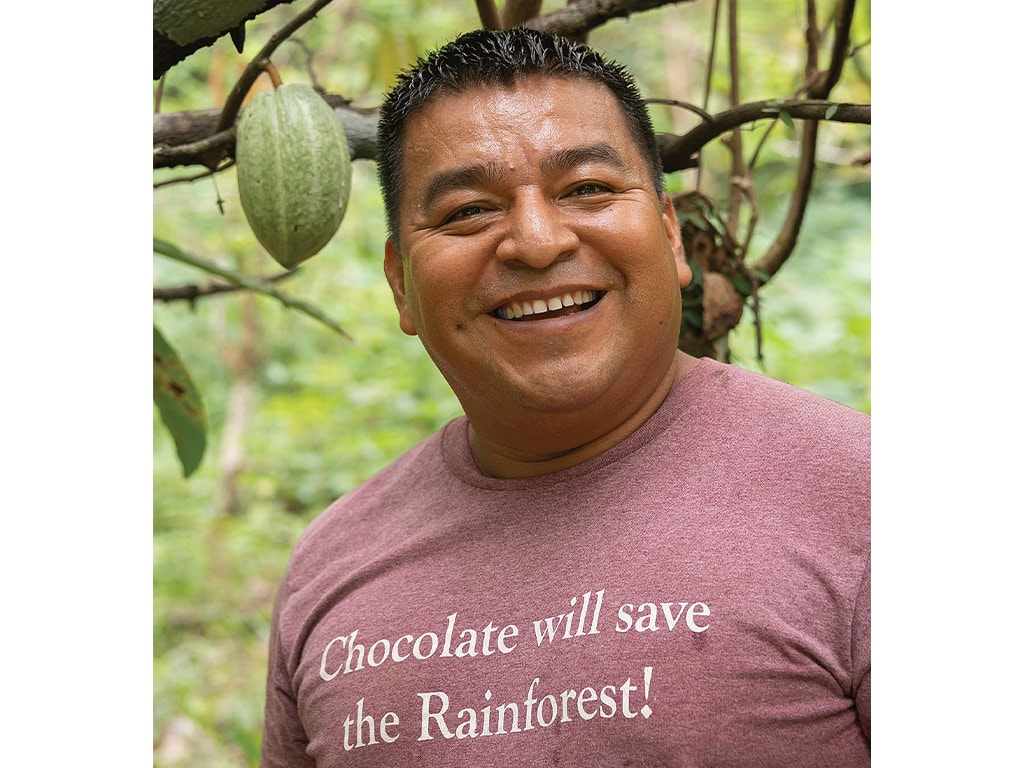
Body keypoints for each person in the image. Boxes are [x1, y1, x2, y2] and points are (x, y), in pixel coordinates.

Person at [259, 27, 870, 768]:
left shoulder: (867, 499)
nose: (538, 242)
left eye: (586, 189)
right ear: (401, 285)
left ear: (672, 237)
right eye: (466, 211)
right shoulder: (332, 562)